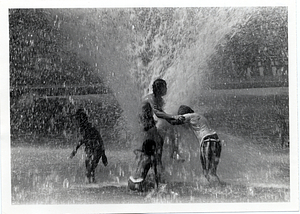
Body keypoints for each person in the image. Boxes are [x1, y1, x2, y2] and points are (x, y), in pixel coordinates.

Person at [134, 78, 185, 182]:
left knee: (161, 140)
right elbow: (158, 113)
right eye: (164, 87)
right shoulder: (151, 98)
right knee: (154, 146)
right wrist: (173, 117)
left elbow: (161, 113)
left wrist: (172, 121)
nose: (166, 89)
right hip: (144, 125)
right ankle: (153, 171)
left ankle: (161, 164)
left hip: (150, 123)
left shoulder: (160, 99)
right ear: (159, 88)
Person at [175, 105, 222, 183]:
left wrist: (161, 115)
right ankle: (221, 191)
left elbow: (175, 121)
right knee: (211, 172)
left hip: (208, 141)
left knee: (208, 173)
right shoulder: (198, 117)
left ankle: (218, 192)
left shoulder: (189, 116)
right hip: (216, 141)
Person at [69, 108, 108, 183]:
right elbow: (83, 139)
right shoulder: (84, 127)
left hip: (96, 149)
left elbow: (97, 140)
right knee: (89, 167)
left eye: (77, 119)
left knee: (90, 168)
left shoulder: (88, 128)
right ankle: (92, 183)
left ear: (81, 119)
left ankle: (91, 184)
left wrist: (103, 155)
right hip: (91, 149)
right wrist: (75, 150)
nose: (76, 122)